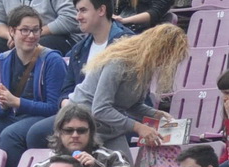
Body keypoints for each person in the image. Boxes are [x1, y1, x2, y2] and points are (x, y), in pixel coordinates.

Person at [68, 22, 189, 159]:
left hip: (110, 128)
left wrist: (157, 114)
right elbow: (100, 109)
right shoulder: (118, 62)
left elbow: (133, 106)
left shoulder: (146, 67)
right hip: (82, 126)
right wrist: (138, 127)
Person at [0, 6, 67, 167]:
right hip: (11, 116)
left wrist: (17, 102)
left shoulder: (52, 60)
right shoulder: (2, 61)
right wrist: (3, 105)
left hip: (40, 117)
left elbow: (54, 108)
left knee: (10, 136)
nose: (31, 36)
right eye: (24, 30)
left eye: (35, 30)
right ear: (12, 31)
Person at [23, 105, 129, 167]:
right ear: (58, 133)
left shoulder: (112, 158)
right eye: (68, 131)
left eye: (81, 131)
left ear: (91, 132)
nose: (75, 135)